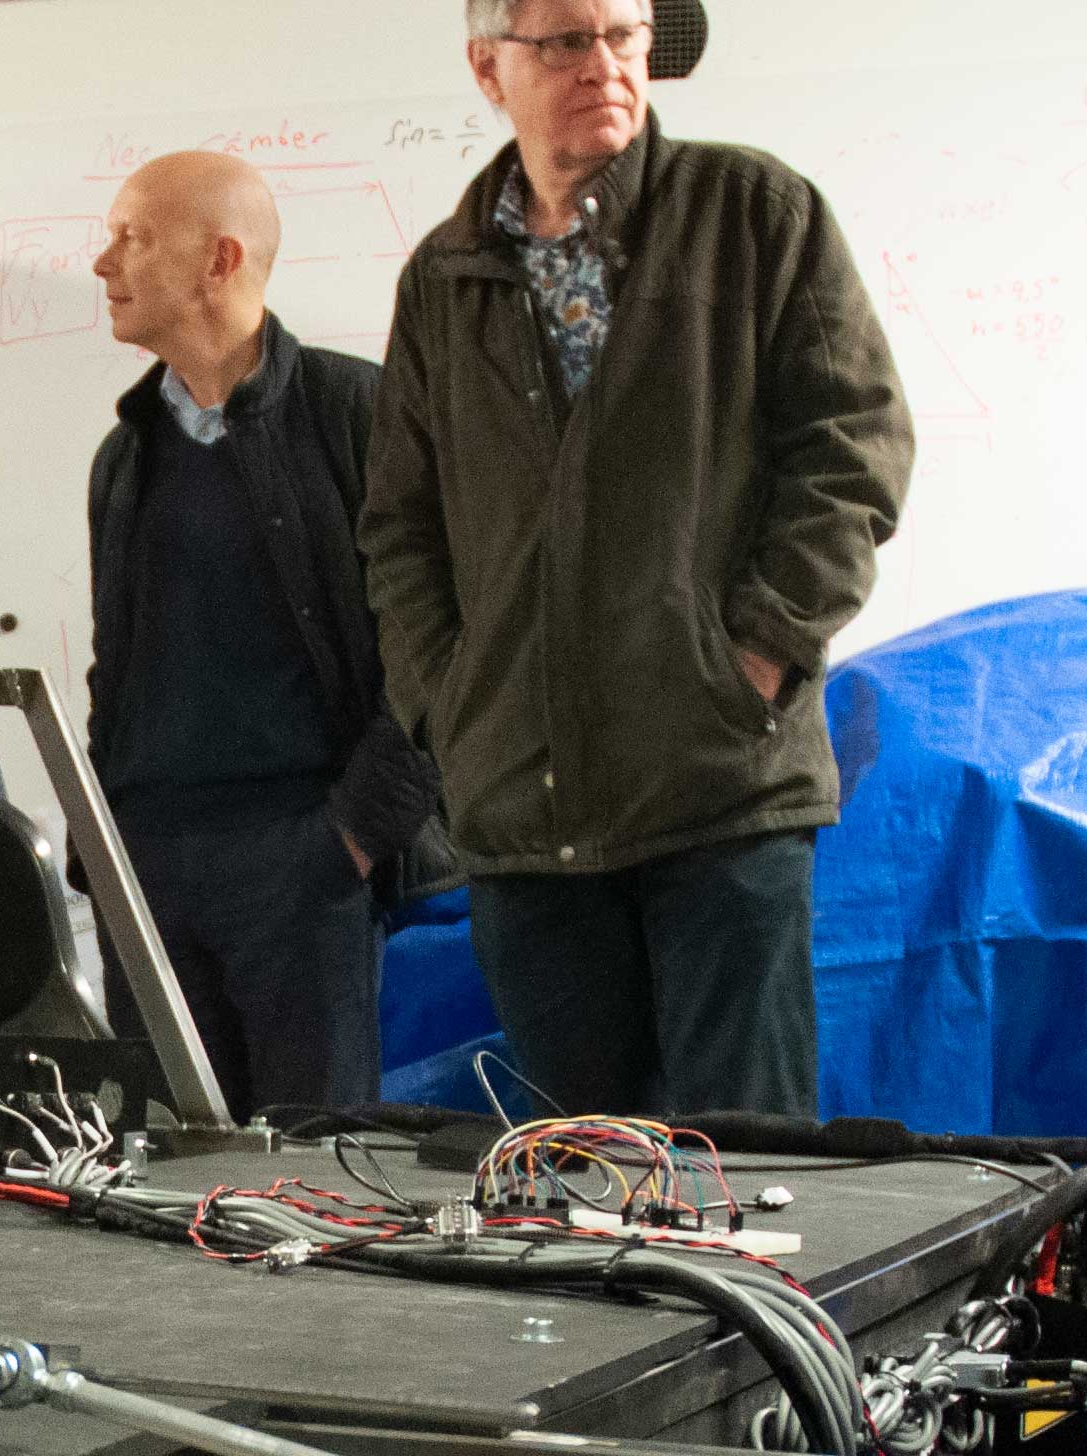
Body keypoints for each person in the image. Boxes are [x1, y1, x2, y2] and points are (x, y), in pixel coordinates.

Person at [361, 0, 910, 1121]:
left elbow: (853, 449)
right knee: (578, 1183)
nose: (606, 65)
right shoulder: (443, 277)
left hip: (719, 791)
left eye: (624, 35)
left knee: (749, 1176)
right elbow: (399, 528)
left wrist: (755, 658)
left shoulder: (754, 211)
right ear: (488, 69)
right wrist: (453, 713)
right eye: (567, 41)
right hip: (525, 816)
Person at [86, 149, 440, 1456]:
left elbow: (435, 643)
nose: (104, 263)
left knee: (310, 1189)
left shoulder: (358, 412)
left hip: (303, 852)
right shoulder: (125, 449)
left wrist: (357, 832)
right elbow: (114, 665)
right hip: (151, 869)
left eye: (131, 237)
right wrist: (100, 844)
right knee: (166, 1193)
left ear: (219, 259)